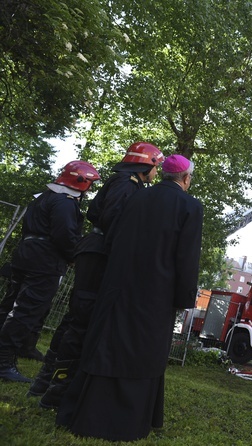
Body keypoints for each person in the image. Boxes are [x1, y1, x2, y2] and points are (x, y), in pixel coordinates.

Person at [56, 154, 203, 441]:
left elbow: (113, 237)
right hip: (156, 294)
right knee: (142, 353)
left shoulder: (137, 197)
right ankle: (127, 422)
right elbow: (187, 258)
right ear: (186, 179)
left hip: (118, 285)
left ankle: (87, 412)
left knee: (108, 342)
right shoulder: (190, 206)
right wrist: (184, 297)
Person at [29, 142, 165, 408]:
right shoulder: (126, 184)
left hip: (95, 252)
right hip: (100, 255)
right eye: (155, 167)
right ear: (146, 164)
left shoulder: (124, 182)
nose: (156, 174)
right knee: (81, 320)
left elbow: (94, 212)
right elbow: (113, 220)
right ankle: (55, 392)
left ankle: (45, 384)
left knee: (76, 318)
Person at [0, 161, 100, 382]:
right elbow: (64, 234)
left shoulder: (45, 196)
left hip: (27, 252)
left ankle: (25, 347)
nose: (91, 188)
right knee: (28, 309)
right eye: (90, 183)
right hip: (44, 260)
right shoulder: (65, 202)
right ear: (80, 181)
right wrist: (73, 255)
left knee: (13, 304)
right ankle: (3, 362)